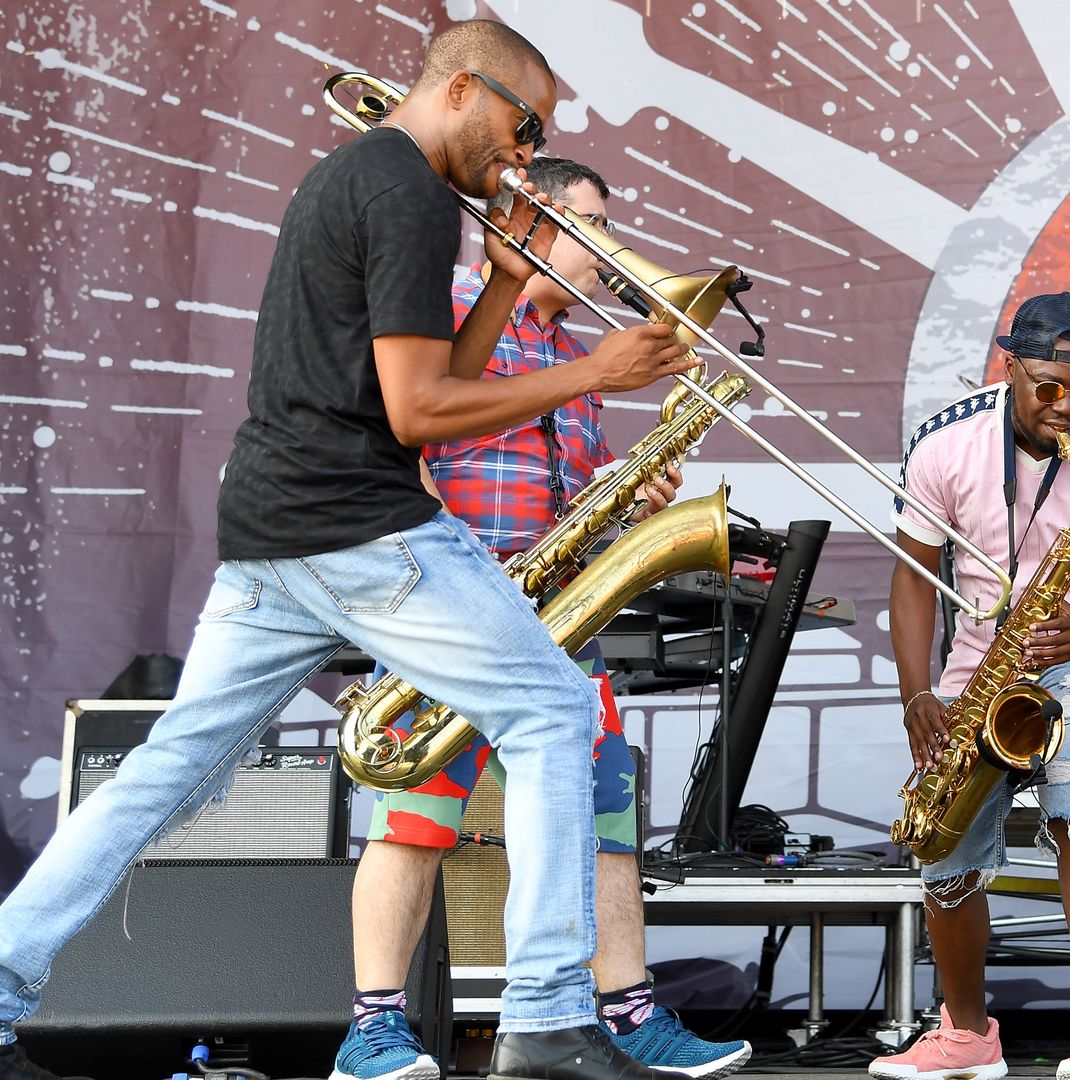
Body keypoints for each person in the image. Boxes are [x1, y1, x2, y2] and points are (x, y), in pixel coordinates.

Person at [0, 20, 703, 1080]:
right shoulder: (407, 192)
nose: (523, 153)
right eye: (523, 126)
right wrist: (593, 373)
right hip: (358, 524)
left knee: (172, 767)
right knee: (555, 709)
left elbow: (410, 384)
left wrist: (507, 280)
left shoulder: (373, 181)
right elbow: (420, 416)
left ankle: (2, 984)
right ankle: (550, 1019)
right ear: (464, 89)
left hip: (276, 532)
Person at [331, 157, 749, 1080]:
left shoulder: (585, 354)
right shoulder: (445, 311)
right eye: (591, 227)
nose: (609, 249)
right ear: (533, 224)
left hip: (558, 624)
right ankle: (372, 1029)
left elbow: (571, 484)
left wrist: (632, 498)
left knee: (607, 821)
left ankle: (630, 1016)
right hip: (451, 620)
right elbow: (398, 443)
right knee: (415, 822)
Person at [871, 292, 1070, 1080]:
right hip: (980, 661)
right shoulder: (945, 445)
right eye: (1048, 387)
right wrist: (918, 693)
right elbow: (911, 582)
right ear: (1008, 368)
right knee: (942, 843)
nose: (1067, 408)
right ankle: (967, 1034)